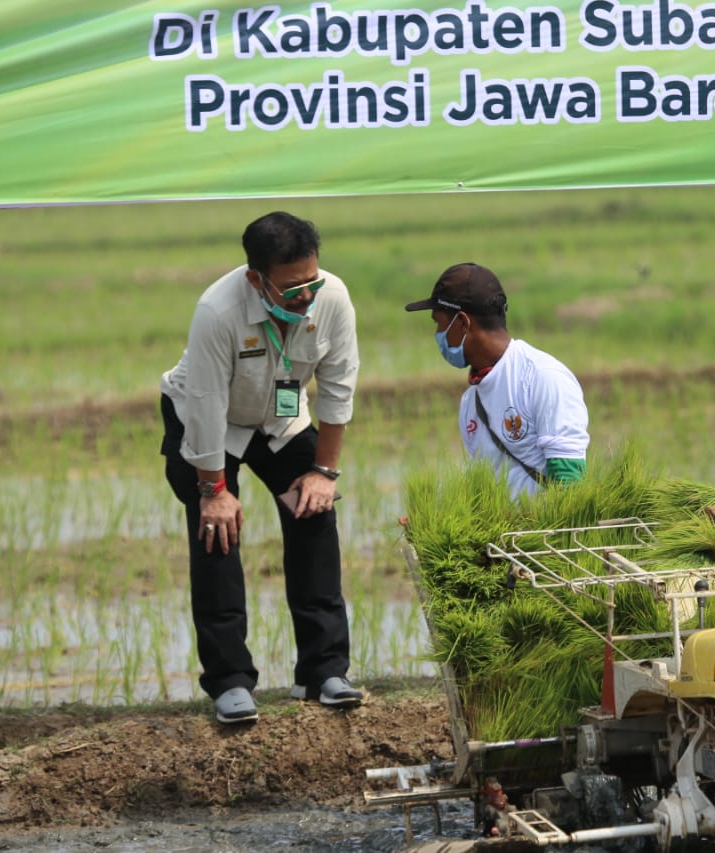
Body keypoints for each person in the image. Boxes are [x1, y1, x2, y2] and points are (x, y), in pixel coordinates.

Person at [159, 211, 364, 724]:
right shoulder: (218, 311)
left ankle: (323, 672)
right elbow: (205, 405)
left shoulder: (333, 298)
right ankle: (229, 681)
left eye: (312, 281)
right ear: (256, 279)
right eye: (292, 288)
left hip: (280, 419)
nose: (306, 296)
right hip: (208, 422)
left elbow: (338, 389)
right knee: (216, 534)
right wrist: (213, 490)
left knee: (314, 513)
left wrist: (323, 473)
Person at [405, 262, 589, 497]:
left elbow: (570, 487)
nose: (438, 334)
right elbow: (484, 489)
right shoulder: (470, 402)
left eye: (439, 323)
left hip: (545, 523)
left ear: (462, 323)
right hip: (505, 524)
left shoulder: (544, 378)